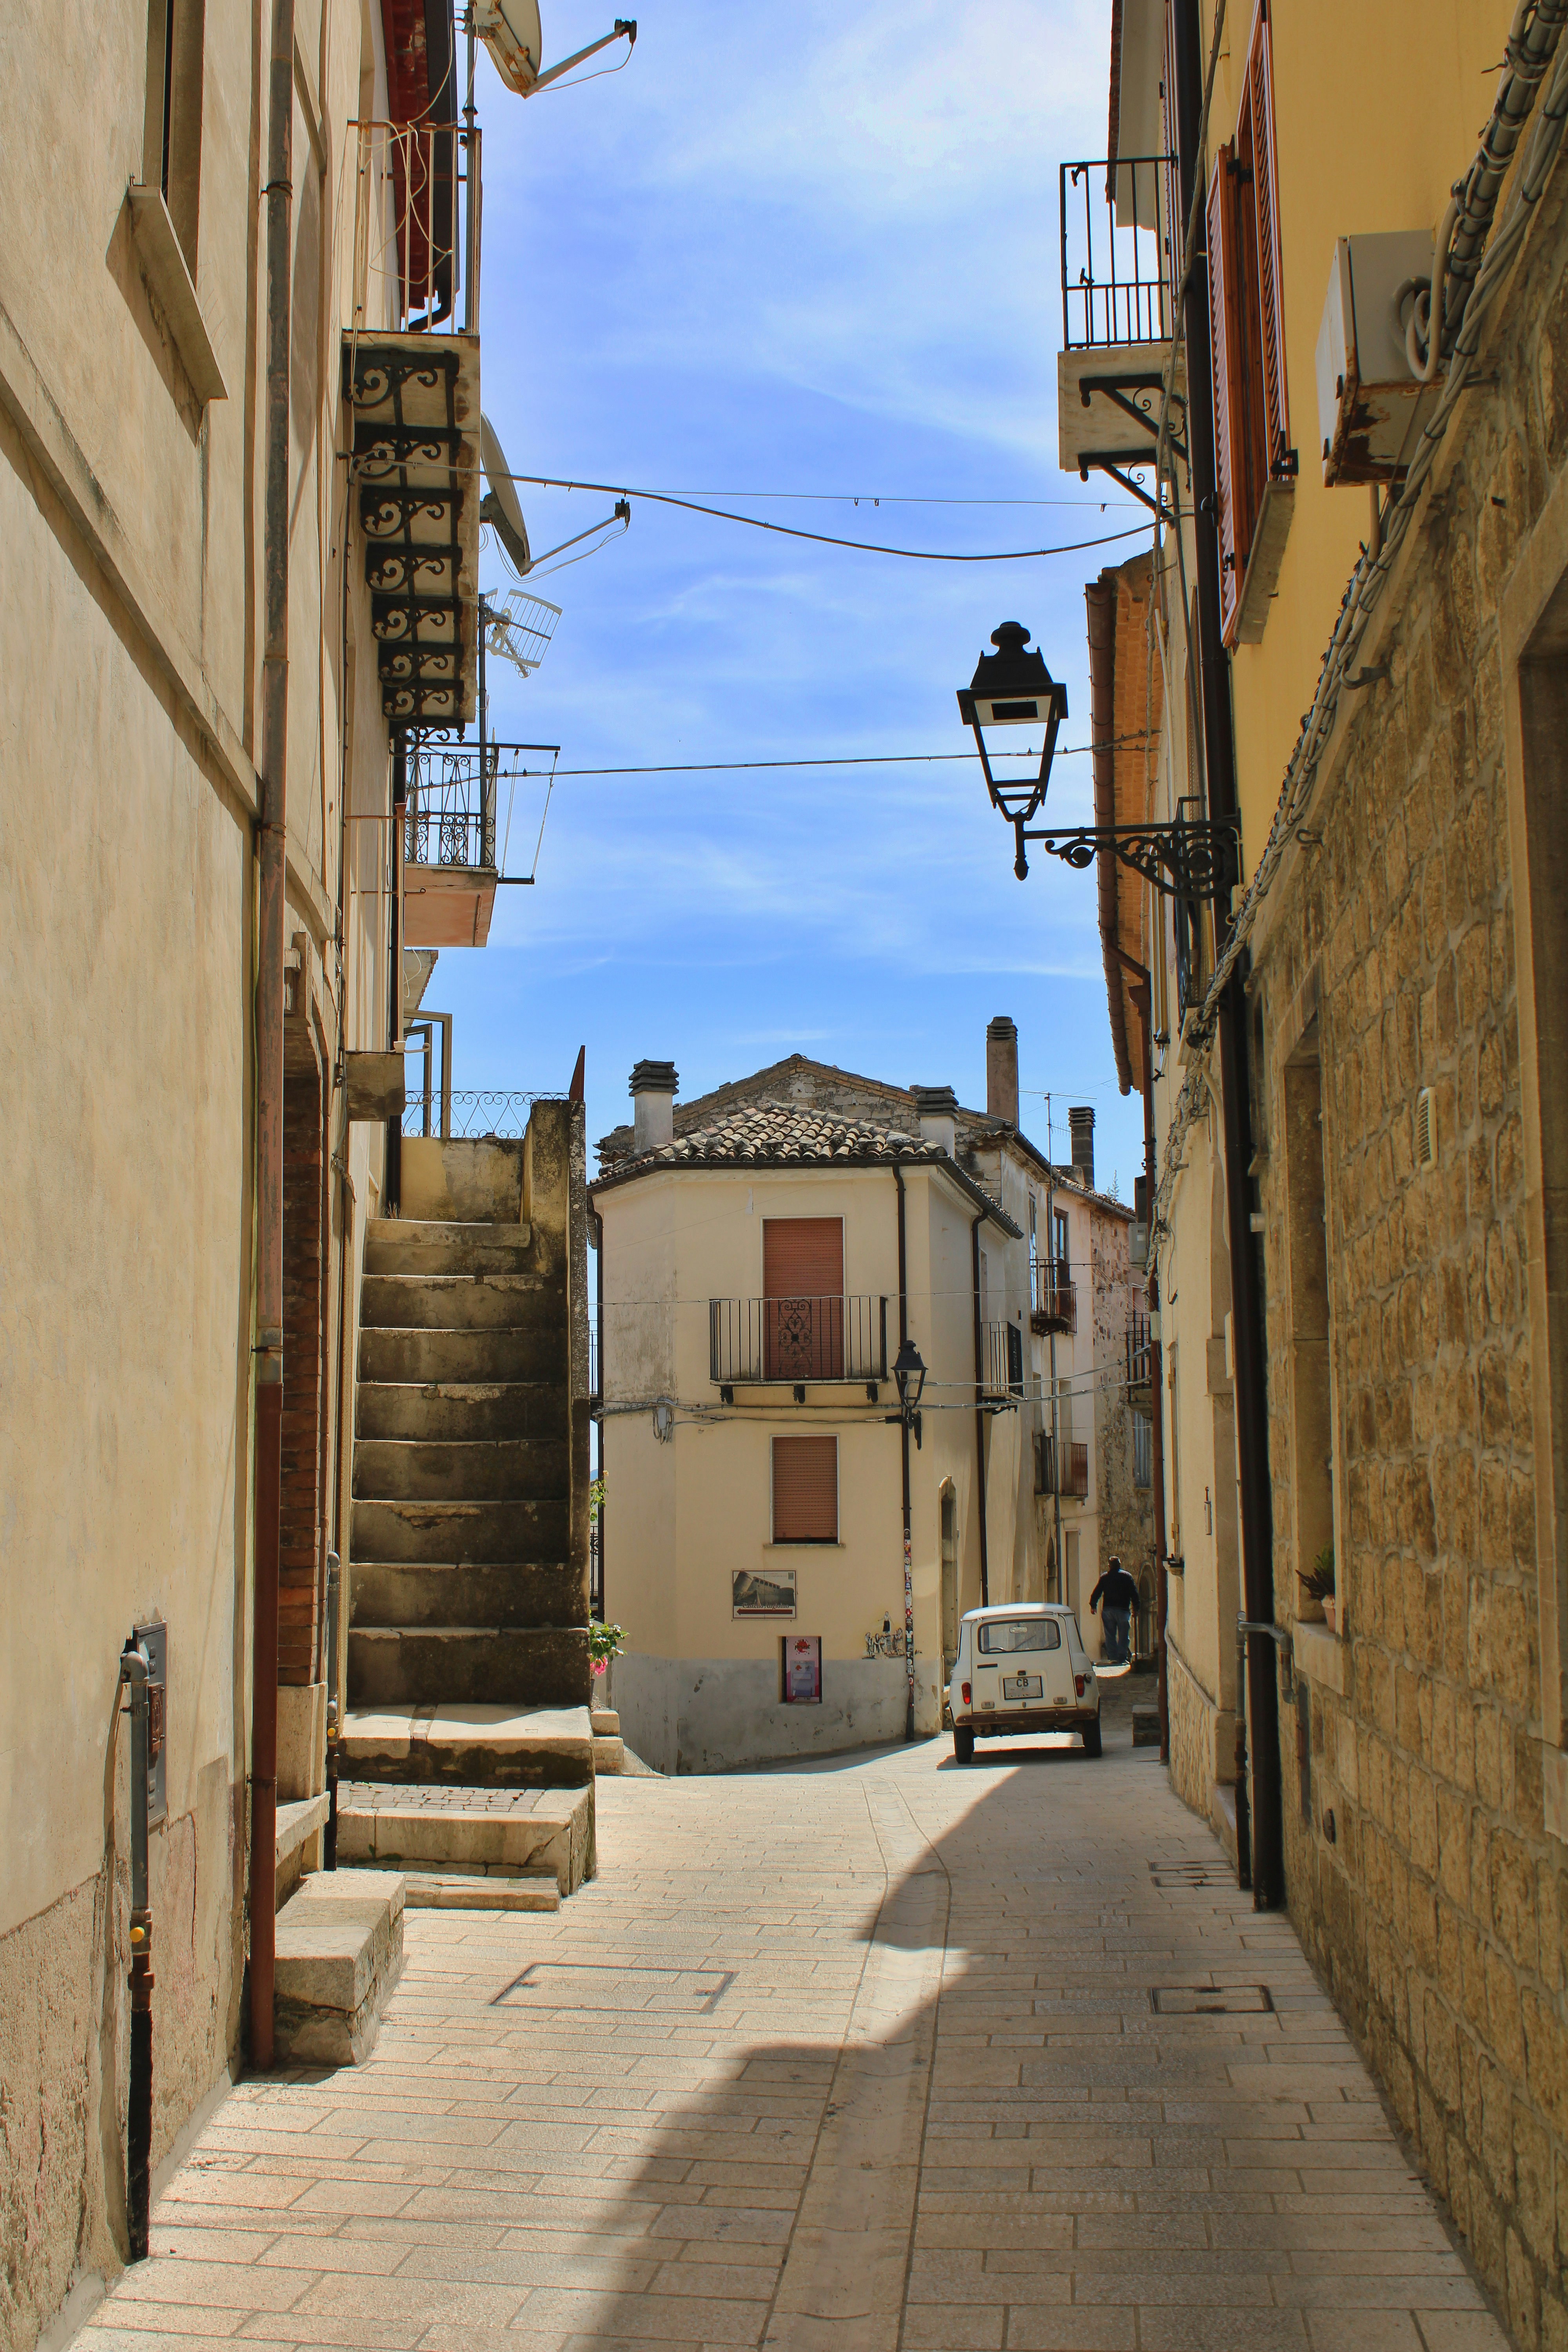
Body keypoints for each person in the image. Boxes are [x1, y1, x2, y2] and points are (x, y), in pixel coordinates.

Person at [1089, 1555, 1139, 1663]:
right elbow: (1134, 1593)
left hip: (1108, 1610)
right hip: (1123, 1610)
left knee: (1110, 1635)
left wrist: (1093, 1605)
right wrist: (1137, 1608)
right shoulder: (1127, 1576)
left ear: (1109, 1566)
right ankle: (1122, 1657)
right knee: (1123, 1635)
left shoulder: (1105, 1577)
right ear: (1120, 1565)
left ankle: (1112, 1658)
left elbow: (1097, 1592)